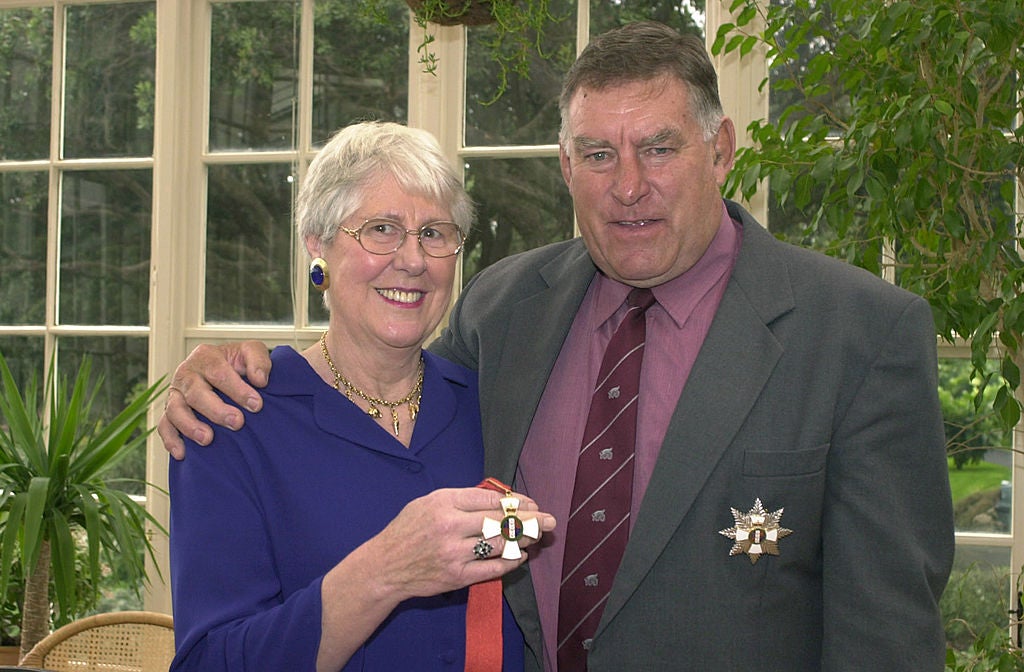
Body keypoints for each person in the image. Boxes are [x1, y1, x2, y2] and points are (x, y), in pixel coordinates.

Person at [160, 22, 955, 672]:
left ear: (721, 150)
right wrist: (235, 362)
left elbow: (885, 636)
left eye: (661, 147)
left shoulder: (858, 334)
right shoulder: (504, 315)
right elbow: (372, 381)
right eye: (600, 155)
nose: (629, 185)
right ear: (566, 166)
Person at [167, 120, 554, 672]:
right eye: (381, 229)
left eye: (435, 234)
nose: (413, 260)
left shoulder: (493, 404)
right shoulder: (233, 419)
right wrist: (384, 571)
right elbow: (210, 662)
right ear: (317, 245)